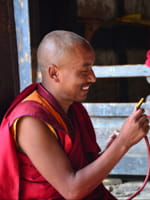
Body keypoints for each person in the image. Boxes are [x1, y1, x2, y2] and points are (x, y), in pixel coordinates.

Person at [0, 30, 149, 200]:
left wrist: (109, 150)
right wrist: (123, 142)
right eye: (84, 71)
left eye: (91, 69)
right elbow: (72, 190)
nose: (92, 78)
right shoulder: (31, 120)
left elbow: (80, 173)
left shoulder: (73, 108)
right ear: (54, 73)